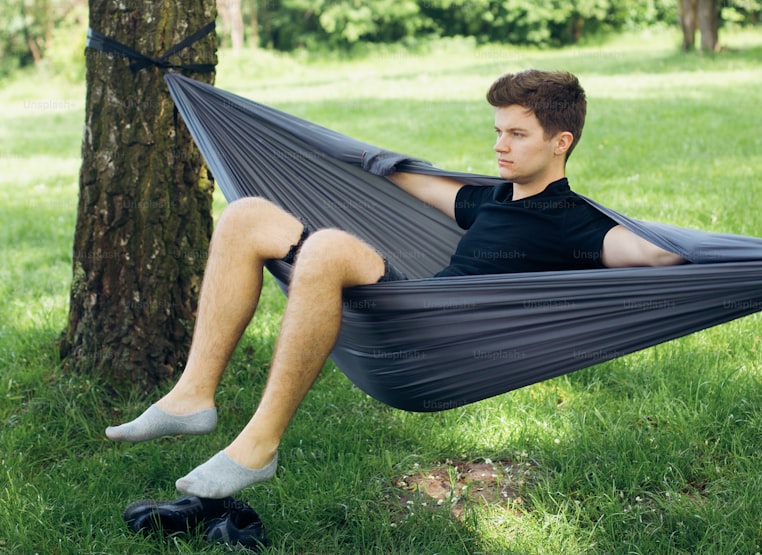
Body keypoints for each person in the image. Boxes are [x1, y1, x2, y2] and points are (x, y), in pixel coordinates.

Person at [106, 69, 685, 499]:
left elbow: (649, 252)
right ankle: (191, 397)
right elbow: (420, 183)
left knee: (329, 247)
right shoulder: (491, 198)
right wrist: (352, 156)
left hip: (446, 342)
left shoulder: (575, 220)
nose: (499, 146)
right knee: (245, 216)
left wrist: (732, 258)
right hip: (411, 307)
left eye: (516, 134)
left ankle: (257, 447)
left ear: (561, 143)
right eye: (497, 131)